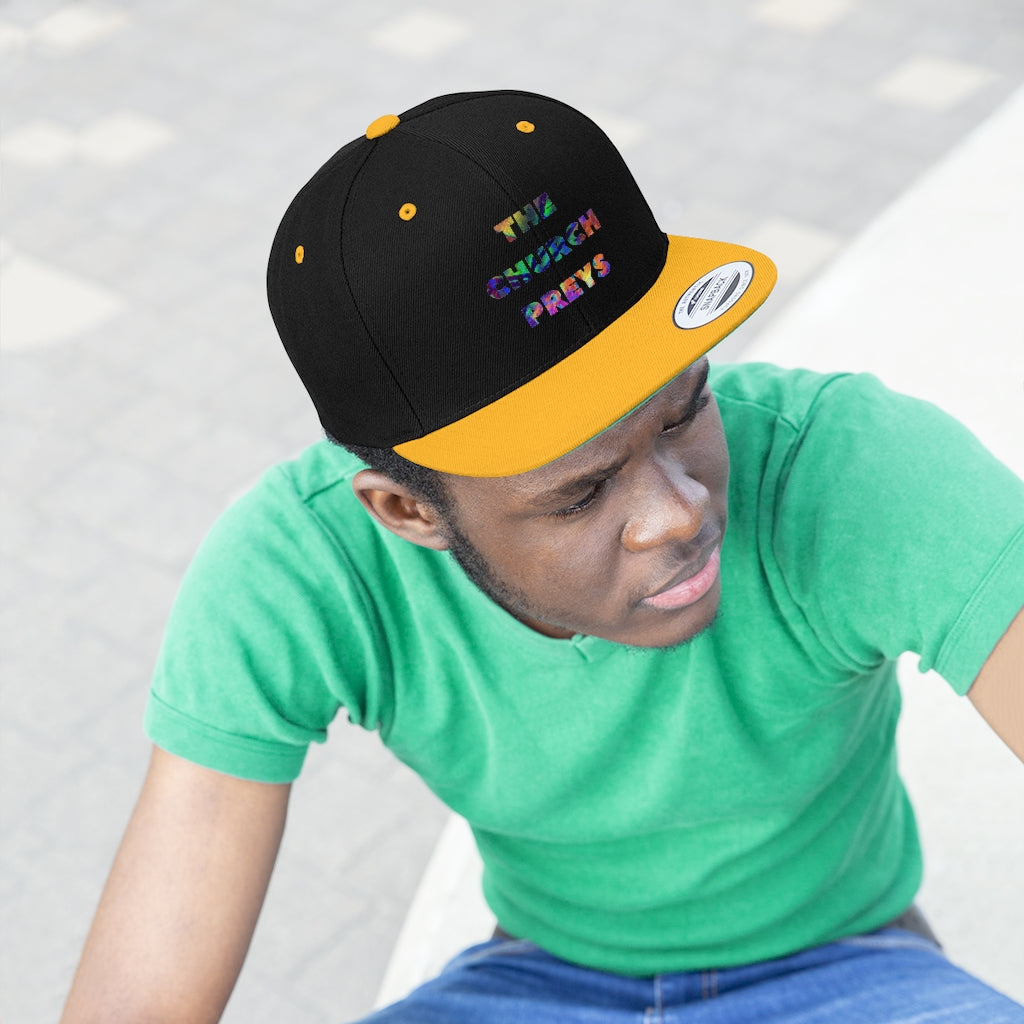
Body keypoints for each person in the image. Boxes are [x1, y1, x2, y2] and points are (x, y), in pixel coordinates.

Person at [61, 90, 1024, 1024]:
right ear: (407, 511)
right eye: (581, 492)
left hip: (852, 962)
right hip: (538, 981)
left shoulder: (849, 466)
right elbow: (142, 1002)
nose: (678, 513)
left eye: (683, 408)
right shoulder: (304, 570)